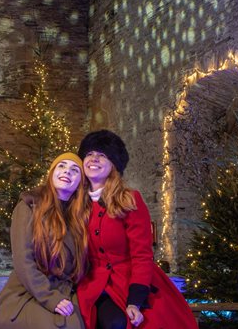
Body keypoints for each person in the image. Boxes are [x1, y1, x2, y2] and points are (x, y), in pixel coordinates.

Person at [75, 130, 198, 329]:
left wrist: (135, 300)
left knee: (121, 323)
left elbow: (142, 255)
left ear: (114, 165)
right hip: (91, 284)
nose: (94, 158)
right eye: (89, 154)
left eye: (103, 155)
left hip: (128, 282)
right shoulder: (76, 204)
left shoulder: (130, 200)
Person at [0, 152, 91, 328]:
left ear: (80, 183)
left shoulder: (80, 218)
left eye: (75, 170)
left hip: (65, 291)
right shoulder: (29, 206)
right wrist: (49, 297)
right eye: (61, 166)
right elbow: (23, 260)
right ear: (51, 173)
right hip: (30, 291)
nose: (67, 172)